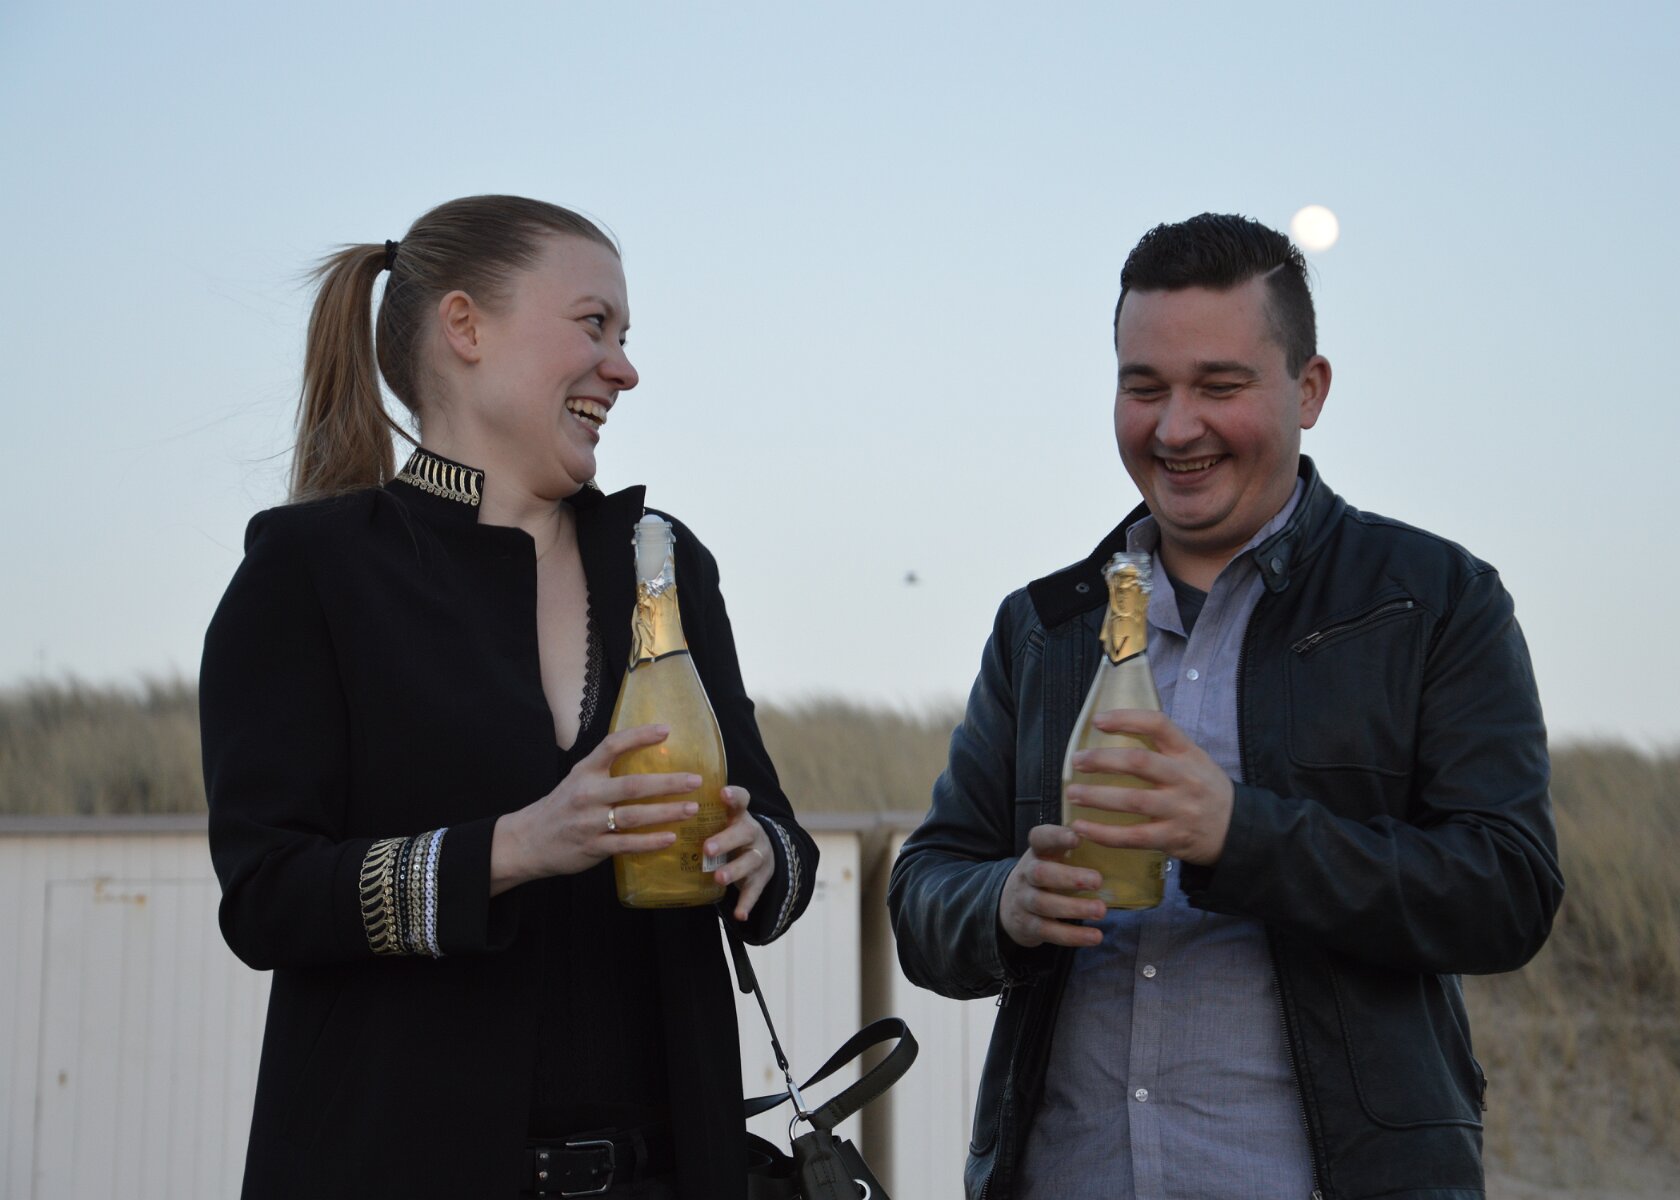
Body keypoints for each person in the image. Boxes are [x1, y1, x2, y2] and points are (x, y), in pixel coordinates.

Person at [888, 213, 1563, 1200]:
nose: (1174, 428)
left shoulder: (1434, 601)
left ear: (1308, 389)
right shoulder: (1040, 627)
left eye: (1217, 386)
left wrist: (1238, 835)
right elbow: (922, 896)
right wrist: (1003, 904)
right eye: (1143, 388)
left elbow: (1505, 893)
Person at [201, 195, 818, 1199]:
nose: (623, 368)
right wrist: (515, 847)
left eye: (624, 338)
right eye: (593, 325)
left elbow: (785, 847)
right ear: (464, 327)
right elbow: (266, 898)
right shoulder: (309, 568)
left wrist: (758, 855)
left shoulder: (662, 561)